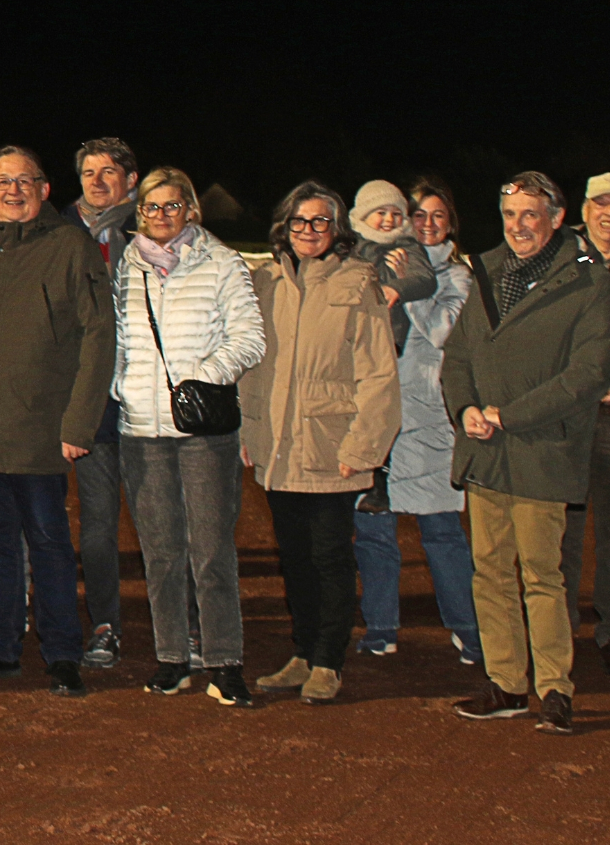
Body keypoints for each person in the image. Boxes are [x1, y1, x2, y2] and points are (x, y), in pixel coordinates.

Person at [0, 147, 113, 698]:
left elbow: (99, 338)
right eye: (3, 182)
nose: (12, 191)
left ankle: (61, 652)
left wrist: (80, 423)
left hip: (39, 425)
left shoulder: (70, 247)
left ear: (44, 188)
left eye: (24, 181)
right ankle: (0, 647)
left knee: (50, 541)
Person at [445, 171, 610, 735]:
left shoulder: (589, 281)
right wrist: (465, 407)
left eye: (530, 214)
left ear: (557, 217)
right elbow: (459, 355)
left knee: (543, 574)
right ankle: (506, 683)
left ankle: (555, 689)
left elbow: (588, 374)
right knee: (489, 572)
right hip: (487, 452)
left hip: (541, 446)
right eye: (510, 215)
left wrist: (507, 416)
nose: (518, 226)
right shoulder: (486, 270)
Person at [242, 181, 400, 707]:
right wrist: (249, 430)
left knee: (330, 556)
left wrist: (363, 448)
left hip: (332, 446)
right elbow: (252, 364)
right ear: (284, 227)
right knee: (295, 557)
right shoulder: (267, 281)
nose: (309, 232)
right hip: (279, 446)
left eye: (320, 222)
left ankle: (329, 660)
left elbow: (379, 375)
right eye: (299, 222)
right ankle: (304, 652)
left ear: (337, 229)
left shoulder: (358, 283)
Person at [113, 167, 266, 705]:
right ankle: (172, 657)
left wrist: (205, 376)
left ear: (191, 210)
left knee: (210, 549)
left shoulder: (223, 264)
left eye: (172, 207)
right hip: (140, 428)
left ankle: (224, 660)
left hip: (202, 428)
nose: (161, 216)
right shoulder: (123, 269)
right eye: (151, 208)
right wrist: (120, 389)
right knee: (159, 552)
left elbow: (250, 338)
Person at [353, 178, 481, 663]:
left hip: (429, 415)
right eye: (417, 215)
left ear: (451, 224)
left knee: (442, 531)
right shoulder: (381, 255)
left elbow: (446, 331)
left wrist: (410, 285)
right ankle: (381, 626)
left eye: (437, 216)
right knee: (373, 529)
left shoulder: (459, 276)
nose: (425, 225)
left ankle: (468, 630)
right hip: (379, 409)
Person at [62, 136, 141, 669]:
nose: (97, 180)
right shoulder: (59, 230)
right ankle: (106, 623)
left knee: (163, 520)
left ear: (130, 180)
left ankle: (187, 625)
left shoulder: (153, 226)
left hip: (151, 400)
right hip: (92, 401)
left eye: (108, 171)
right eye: (88, 171)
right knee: (96, 522)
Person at [347, 179, 439, 514]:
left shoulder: (406, 247)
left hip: (387, 341)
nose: (387, 220)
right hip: (351, 341)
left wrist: (397, 288)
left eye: (394, 213)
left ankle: (379, 480)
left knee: (379, 409)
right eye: (379, 213)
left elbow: (426, 279)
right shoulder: (350, 247)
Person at [558, 171, 610, 674]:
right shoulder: (562, 261)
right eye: (601, 202)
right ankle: (559, 631)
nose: (609, 212)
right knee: (563, 529)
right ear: (586, 209)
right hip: (568, 415)